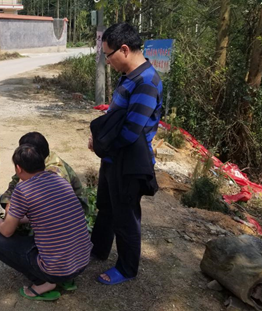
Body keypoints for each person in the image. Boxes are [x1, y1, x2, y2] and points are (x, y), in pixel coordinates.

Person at [88, 23, 161, 285]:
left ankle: (127, 268)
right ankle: (97, 249)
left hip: (128, 163)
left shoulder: (146, 82)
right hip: (113, 159)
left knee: (126, 216)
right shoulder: (128, 76)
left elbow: (131, 132)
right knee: (106, 207)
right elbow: (115, 116)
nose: (107, 61)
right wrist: (99, 138)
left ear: (125, 49)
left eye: (108, 55)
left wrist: (101, 144)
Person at [0, 145, 92, 301]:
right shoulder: (59, 180)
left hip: (58, 270)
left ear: (18, 168)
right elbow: (44, 215)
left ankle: (44, 282)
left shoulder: (23, 189)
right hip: (82, 261)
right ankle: (65, 279)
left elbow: (7, 231)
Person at [0, 132, 88, 213]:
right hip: (46, 205)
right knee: (4, 199)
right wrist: (11, 202)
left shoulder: (55, 173)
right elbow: (14, 185)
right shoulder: (34, 161)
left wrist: (14, 211)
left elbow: (55, 205)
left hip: (68, 211)